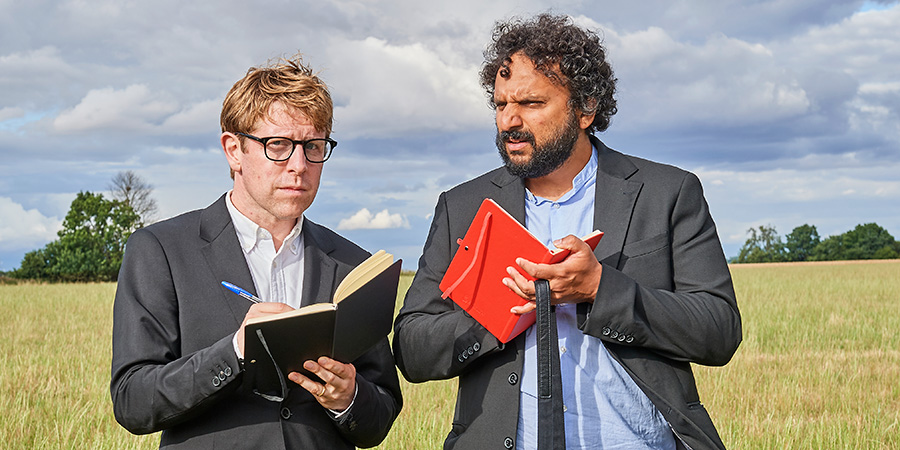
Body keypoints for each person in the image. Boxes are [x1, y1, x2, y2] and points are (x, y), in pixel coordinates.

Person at [393, 14, 741, 450]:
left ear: (585, 108)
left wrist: (601, 290)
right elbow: (411, 348)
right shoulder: (462, 207)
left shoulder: (667, 193)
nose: (508, 122)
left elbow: (719, 330)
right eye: (501, 105)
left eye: (532, 104)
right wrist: (499, 314)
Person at [110, 54, 402, 449]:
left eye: (314, 146)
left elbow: (380, 415)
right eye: (278, 145)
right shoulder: (160, 250)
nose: (299, 164)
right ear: (233, 150)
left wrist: (348, 399)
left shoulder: (355, 265)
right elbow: (133, 400)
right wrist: (234, 352)